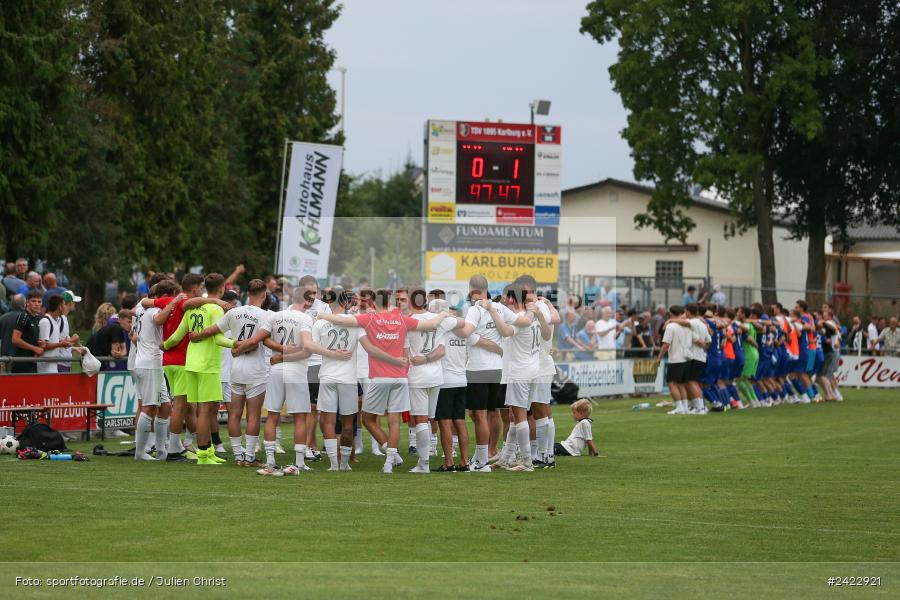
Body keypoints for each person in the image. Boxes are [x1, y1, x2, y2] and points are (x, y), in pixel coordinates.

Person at [317, 288, 449, 474]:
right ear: (390, 302)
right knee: (394, 421)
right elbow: (430, 325)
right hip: (401, 377)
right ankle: (389, 462)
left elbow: (340, 319)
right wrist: (443, 312)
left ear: (373, 303)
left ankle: (390, 453)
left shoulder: (369, 319)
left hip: (379, 376)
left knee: (369, 419)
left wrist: (321, 314)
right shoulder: (402, 319)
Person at [191, 278, 271, 465]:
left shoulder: (234, 312)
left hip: (235, 370)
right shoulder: (267, 316)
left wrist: (197, 336)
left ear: (247, 293)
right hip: (255, 371)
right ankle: (249, 457)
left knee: (233, 415)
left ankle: (237, 456)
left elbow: (213, 330)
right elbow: (257, 342)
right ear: (264, 294)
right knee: (253, 415)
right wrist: (241, 348)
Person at [163, 273, 234, 466]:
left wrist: (165, 345)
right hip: (207, 365)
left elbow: (178, 335)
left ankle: (208, 450)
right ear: (222, 289)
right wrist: (238, 343)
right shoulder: (216, 309)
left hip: (191, 363)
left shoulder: (194, 308)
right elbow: (218, 339)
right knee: (205, 411)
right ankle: (203, 454)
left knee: (202, 410)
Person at [453, 274, 516, 472]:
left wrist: (451, 323)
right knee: (492, 412)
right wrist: (495, 345)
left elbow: (467, 334)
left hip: (478, 368)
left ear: (472, 289)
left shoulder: (474, 309)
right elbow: (517, 322)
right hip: (497, 368)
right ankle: (490, 451)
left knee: (478, 415)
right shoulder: (499, 307)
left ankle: (481, 461)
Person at [489, 283, 551, 472]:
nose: (505, 300)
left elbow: (505, 331)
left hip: (519, 371)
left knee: (519, 415)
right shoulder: (534, 312)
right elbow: (547, 334)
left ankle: (526, 462)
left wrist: (492, 311)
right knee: (514, 416)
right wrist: (539, 314)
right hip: (532, 369)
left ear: (511, 298)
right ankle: (507, 457)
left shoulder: (520, 317)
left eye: (506, 297)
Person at [404, 287, 459, 473]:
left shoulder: (408, 322)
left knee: (420, 420)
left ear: (411, 302)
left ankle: (424, 463)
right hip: (436, 375)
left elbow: (405, 353)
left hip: (418, 375)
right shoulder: (440, 320)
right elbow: (461, 328)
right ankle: (425, 460)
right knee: (428, 419)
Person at [310, 286, 361, 472]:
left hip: (328, 376)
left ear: (328, 301)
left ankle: (333, 464)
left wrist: (331, 353)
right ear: (345, 301)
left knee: (328, 421)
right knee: (348, 424)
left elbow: (312, 348)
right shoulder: (355, 321)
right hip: (348, 377)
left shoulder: (319, 323)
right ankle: (345, 463)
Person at [130, 279, 176, 461]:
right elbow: (159, 319)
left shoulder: (141, 310)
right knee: (149, 408)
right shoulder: (154, 311)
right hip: (150, 363)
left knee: (165, 407)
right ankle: (140, 452)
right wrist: (173, 303)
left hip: (146, 362)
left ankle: (161, 449)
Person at [432, 299, 470, 472]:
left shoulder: (441, 326)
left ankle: (448, 462)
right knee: (460, 422)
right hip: (462, 380)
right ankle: (464, 461)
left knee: (445, 423)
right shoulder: (463, 330)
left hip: (445, 381)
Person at [655, 305, 697, 415]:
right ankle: (685, 407)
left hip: (676, 359)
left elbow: (666, 344)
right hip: (687, 358)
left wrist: (659, 357)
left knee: (671, 383)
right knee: (681, 384)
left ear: (670, 313)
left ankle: (679, 407)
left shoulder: (671, 326)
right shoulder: (688, 324)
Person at [10, 290, 44, 373]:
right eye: (33, 301)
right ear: (27, 302)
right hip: (22, 362)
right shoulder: (23, 316)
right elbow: (15, 339)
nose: (37, 304)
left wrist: (41, 344)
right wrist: (34, 348)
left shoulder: (37, 318)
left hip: (33, 362)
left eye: (39, 302)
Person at [36, 295, 71, 373]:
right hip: (46, 365)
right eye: (64, 304)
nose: (66, 307)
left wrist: (64, 343)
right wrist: (60, 344)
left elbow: (52, 341)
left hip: (53, 363)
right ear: (60, 307)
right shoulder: (45, 322)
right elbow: (43, 346)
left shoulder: (55, 321)